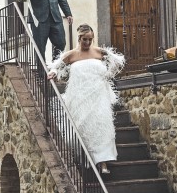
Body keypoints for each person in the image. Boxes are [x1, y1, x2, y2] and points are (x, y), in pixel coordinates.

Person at [48, 24, 125, 174]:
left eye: (90, 40)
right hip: (79, 96)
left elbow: (117, 61)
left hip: (98, 95)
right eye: (85, 40)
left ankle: (103, 163)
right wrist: (53, 73)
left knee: (101, 125)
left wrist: (108, 75)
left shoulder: (98, 52)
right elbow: (55, 67)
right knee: (83, 127)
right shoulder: (71, 55)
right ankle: (87, 160)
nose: (88, 43)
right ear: (79, 38)